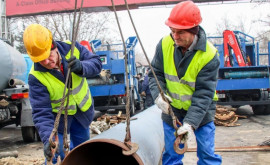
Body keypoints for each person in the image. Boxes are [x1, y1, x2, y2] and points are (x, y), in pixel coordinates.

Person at [148, 1, 222, 165]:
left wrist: (190, 124)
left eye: (180, 32)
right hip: (172, 111)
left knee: (207, 156)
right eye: (172, 31)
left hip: (201, 113)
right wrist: (158, 97)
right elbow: (155, 74)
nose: (175, 36)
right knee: (171, 156)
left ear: (194, 31)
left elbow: (204, 95)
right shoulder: (164, 44)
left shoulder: (209, 56)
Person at [23, 24, 102, 163]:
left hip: (81, 115)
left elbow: (96, 63)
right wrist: (48, 139)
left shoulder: (72, 49)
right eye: (40, 60)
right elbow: (41, 112)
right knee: (54, 154)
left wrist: (82, 67)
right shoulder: (36, 76)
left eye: (48, 56)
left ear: (53, 46)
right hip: (57, 122)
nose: (47, 62)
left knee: (83, 153)